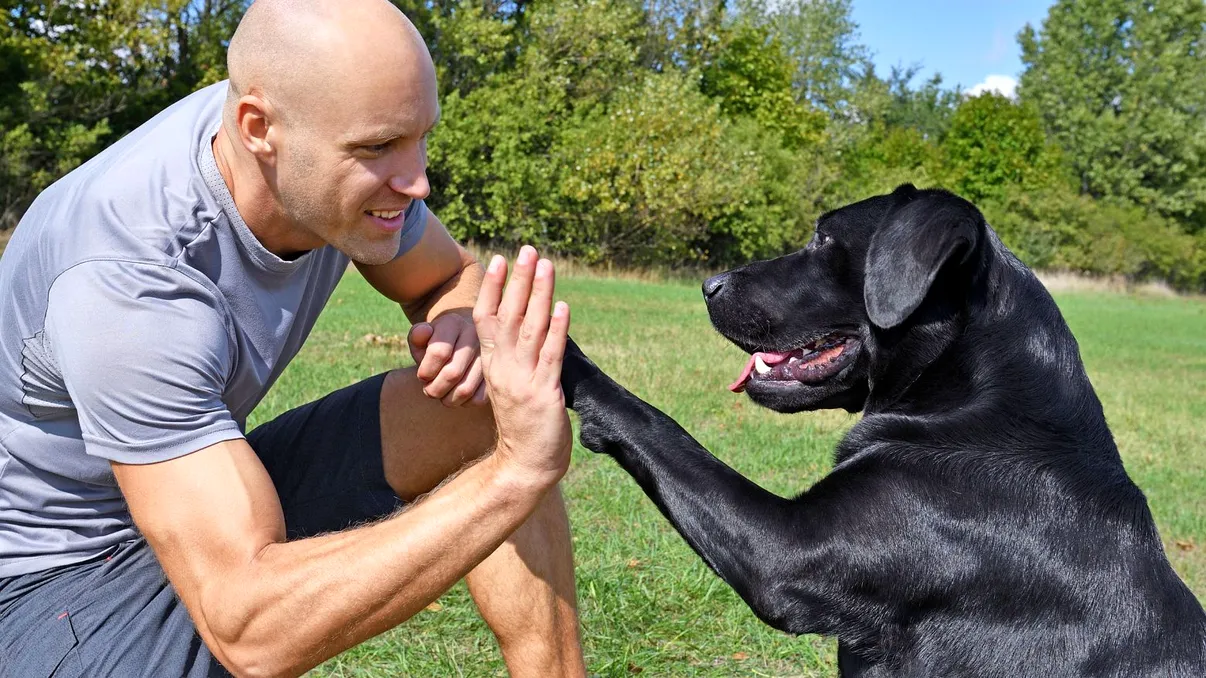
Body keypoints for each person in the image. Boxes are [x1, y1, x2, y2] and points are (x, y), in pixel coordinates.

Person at [0, 0, 586, 676]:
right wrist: (515, 474)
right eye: (377, 148)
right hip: (45, 588)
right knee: (255, 609)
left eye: (419, 137)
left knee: (484, 398)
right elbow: (251, 633)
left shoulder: (310, 147)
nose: (418, 179)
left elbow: (451, 275)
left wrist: (458, 320)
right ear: (258, 128)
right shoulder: (130, 280)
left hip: (173, 504)